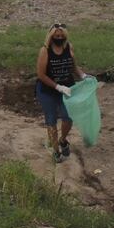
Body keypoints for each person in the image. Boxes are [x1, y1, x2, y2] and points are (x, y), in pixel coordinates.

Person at [36, 23, 86, 162]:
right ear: (51, 36)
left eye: (61, 35)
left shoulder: (68, 47)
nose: (59, 37)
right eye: (56, 35)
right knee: (51, 119)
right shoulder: (45, 51)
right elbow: (41, 75)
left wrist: (83, 76)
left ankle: (63, 140)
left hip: (67, 88)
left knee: (68, 117)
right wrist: (57, 86)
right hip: (48, 90)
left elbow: (74, 67)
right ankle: (56, 150)